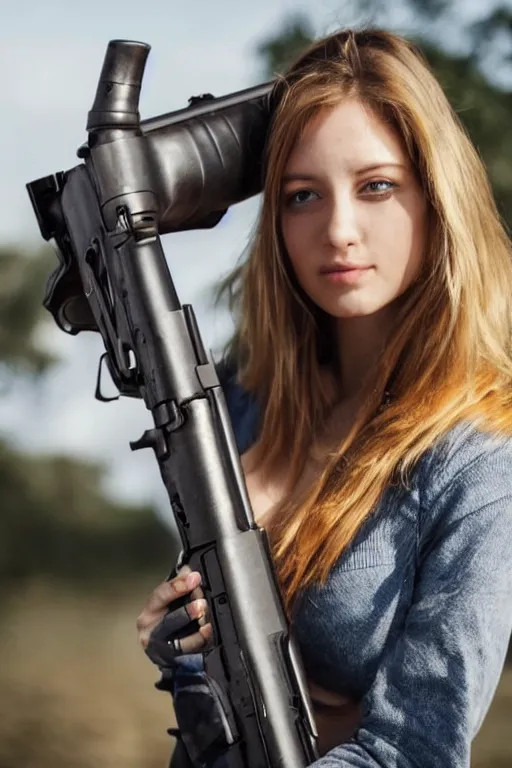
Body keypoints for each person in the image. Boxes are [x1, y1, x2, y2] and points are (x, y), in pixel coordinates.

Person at [136, 27, 512, 767]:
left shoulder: (481, 465)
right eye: (303, 195)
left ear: (438, 199)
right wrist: (182, 651)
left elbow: (413, 753)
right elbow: (223, 710)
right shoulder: (245, 401)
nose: (338, 230)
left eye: (377, 186)